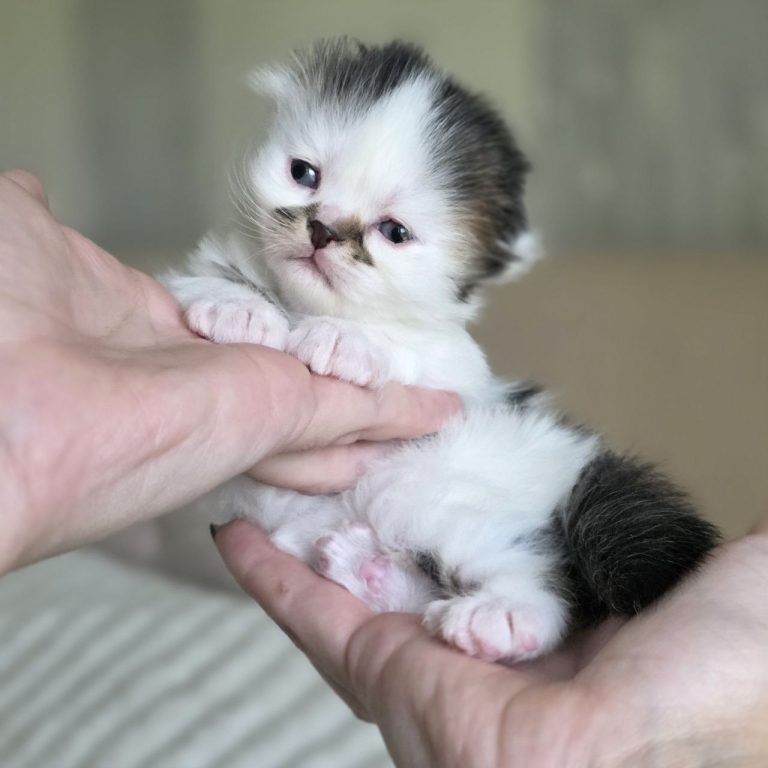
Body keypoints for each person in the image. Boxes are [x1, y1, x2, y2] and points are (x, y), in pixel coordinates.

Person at [2, 170, 767, 766]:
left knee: (426, 499)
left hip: (466, 510)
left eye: (395, 229)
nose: (324, 230)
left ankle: (525, 591)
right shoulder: (234, 269)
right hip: (375, 528)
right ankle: (451, 585)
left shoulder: (429, 345)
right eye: (304, 176)